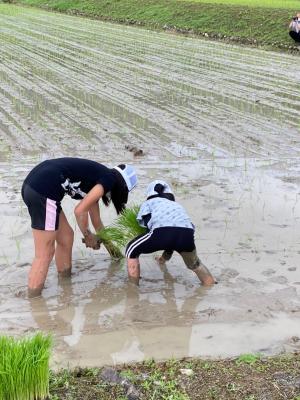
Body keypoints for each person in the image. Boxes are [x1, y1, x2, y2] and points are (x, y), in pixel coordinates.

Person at [21, 158, 137, 298]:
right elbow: (80, 211)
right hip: (43, 190)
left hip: (34, 185)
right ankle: (34, 301)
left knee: (66, 237)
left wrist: (115, 254)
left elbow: (97, 223)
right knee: (45, 253)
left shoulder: (98, 179)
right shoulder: (109, 179)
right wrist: (88, 236)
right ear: (122, 186)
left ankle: (64, 284)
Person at [125, 180, 215, 286]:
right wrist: (163, 259)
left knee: (131, 249)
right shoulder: (176, 205)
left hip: (162, 231)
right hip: (186, 233)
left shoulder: (148, 203)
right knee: (195, 264)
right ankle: (210, 284)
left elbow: (148, 226)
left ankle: (133, 287)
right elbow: (174, 237)